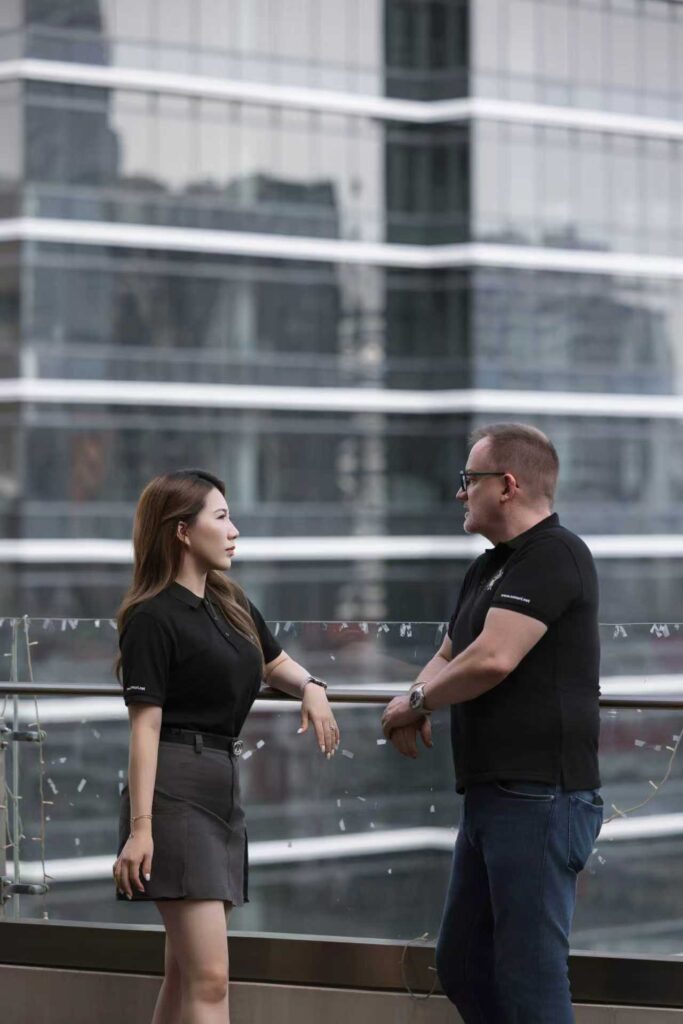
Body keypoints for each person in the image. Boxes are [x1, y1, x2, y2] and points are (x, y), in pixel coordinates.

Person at [381, 423, 602, 1023]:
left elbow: (494, 658)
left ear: (507, 485)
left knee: (530, 977)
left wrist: (418, 702)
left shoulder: (556, 554)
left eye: (468, 480)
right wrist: (414, 698)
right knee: (462, 964)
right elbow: (451, 655)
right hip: (490, 796)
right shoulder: (488, 569)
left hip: (542, 796)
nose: (460, 492)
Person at [112, 468, 339, 1024]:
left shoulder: (229, 601)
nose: (234, 530)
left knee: (186, 974)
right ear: (182, 531)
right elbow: (144, 728)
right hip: (174, 791)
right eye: (221, 517)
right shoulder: (151, 617)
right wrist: (141, 829)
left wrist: (312, 687)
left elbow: (275, 663)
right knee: (210, 980)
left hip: (222, 788)